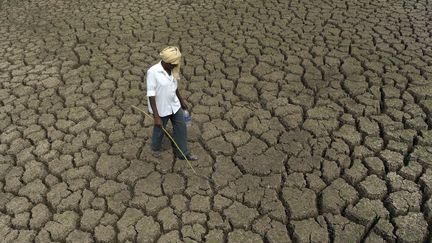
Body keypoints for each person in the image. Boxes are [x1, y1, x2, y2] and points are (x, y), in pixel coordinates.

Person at [146, 46, 198, 161]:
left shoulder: (173, 69)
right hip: (161, 107)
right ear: (167, 62)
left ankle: (183, 153)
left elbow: (174, 86)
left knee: (181, 127)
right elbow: (151, 94)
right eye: (174, 63)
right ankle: (155, 148)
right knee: (159, 129)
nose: (176, 65)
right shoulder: (153, 72)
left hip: (174, 105)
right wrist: (156, 116)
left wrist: (181, 101)